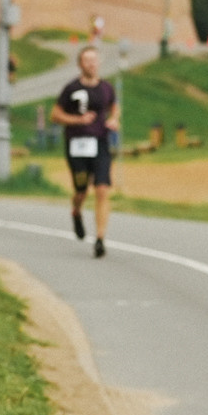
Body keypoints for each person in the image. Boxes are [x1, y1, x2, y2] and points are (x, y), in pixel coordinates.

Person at [52, 45, 120, 258]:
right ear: (80, 64)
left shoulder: (106, 88)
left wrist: (114, 120)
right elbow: (55, 115)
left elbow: (114, 106)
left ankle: (100, 238)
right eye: (87, 60)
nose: (91, 64)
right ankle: (76, 211)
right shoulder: (71, 89)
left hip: (100, 142)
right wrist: (77, 120)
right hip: (77, 144)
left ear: (99, 62)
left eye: (94, 60)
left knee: (102, 189)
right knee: (81, 190)